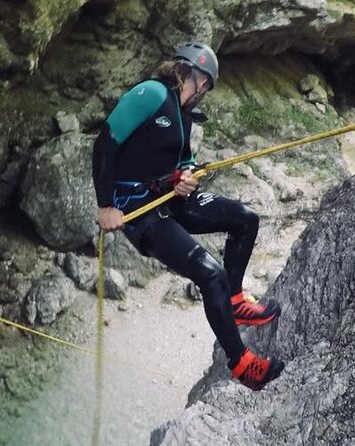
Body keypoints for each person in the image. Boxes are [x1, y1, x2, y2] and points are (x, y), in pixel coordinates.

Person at [91, 42, 284, 390]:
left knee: (246, 219)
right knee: (211, 274)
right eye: (206, 86)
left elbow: (182, 164)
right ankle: (242, 364)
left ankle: (236, 301)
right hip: (138, 208)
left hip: (168, 199)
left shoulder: (183, 117)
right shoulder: (152, 93)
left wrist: (185, 178)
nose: (204, 94)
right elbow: (106, 142)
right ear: (194, 76)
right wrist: (106, 205)